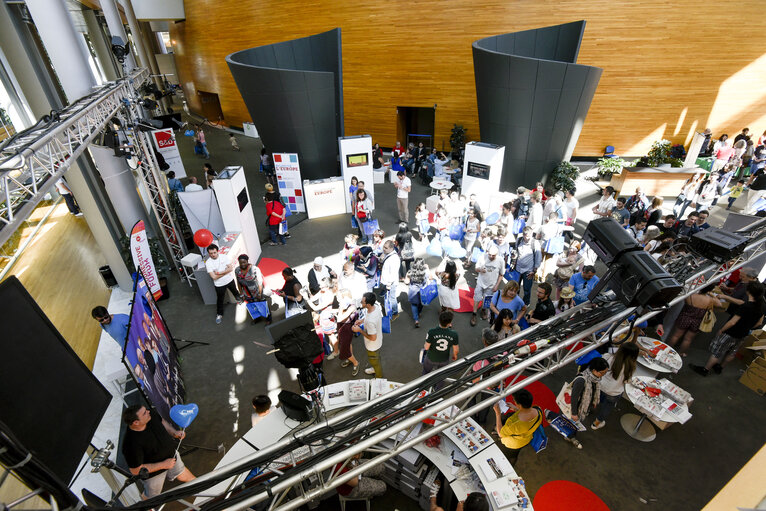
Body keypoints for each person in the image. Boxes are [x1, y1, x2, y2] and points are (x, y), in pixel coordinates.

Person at [692, 281, 766, 376]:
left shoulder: (746, 306)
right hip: (743, 334)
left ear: (748, 291)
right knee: (732, 352)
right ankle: (720, 367)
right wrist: (747, 327)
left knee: (717, 352)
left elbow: (732, 322)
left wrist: (721, 330)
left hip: (731, 332)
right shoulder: (763, 306)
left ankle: (705, 370)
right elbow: (759, 323)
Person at [121, 405, 195, 499]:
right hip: (154, 475)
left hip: (172, 456)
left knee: (183, 474)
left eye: (146, 410)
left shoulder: (150, 415)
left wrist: (174, 432)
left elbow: (162, 422)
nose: (148, 411)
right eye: (144, 413)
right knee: (152, 498)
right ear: (136, 422)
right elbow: (136, 470)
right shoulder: (130, 444)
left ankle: (204, 487)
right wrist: (164, 465)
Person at [591, 342, 639, 429]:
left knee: (594, 399)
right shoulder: (631, 367)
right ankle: (596, 423)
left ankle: (587, 410)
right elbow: (627, 381)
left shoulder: (609, 357)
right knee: (606, 408)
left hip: (600, 385)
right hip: (614, 392)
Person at [666, 284, 721, 356]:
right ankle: (681, 353)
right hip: (697, 321)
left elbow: (685, 301)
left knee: (676, 336)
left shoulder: (691, 296)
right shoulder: (710, 300)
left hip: (684, 318)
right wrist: (711, 294)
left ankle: (667, 350)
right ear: (709, 290)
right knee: (688, 339)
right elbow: (719, 304)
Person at [493, 389, 543, 465]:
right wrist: (516, 409)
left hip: (513, 444)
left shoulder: (514, 425)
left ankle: (507, 465)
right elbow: (527, 413)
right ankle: (512, 462)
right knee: (514, 455)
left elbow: (500, 433)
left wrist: (498, 414)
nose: (514, 402)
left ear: (519, 404)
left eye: (514, 401)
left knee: (507, 455)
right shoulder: (538, 410)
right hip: (525, 439)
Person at [568, 357, 609, 426]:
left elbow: (594, 390)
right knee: (571, 425)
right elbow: (574, 397)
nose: (603, 375)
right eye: (602, 373)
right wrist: (574, 413)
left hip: (584, 406)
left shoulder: (595, 379)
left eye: (605, 373)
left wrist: (594, 401)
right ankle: (569, 436)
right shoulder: (581, 380)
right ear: (594, 370)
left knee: (575, 424)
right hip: (577, 407)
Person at [206, 244, 239, 324]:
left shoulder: (223, 257)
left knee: (236, 292)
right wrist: (225, 272)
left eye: (214, 252)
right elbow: (213, 277)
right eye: (211, 253)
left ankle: (243, 303)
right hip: (219, 284)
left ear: (217, 251)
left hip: (229, 280)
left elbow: (230, 268)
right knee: (220, 299)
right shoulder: (208, 262)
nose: (213, 255)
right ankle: (219, 314)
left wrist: (219, 273)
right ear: (208, 253)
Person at [352, 292, 384, 377]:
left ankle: (378, 378)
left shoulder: (370, 321)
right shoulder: (376, 307)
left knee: (375, 362)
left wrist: (360, 330)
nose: (361, 303)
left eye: (362, 302)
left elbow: (373, 338)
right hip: (379, 341)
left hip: (372, 346)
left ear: (368, 304)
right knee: (377, 359)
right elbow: (369, 316)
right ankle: (375, 368)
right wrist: (362, 320)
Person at [235, 255, 273, 324]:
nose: (242, 264)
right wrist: (241, 294)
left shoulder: (255, 269)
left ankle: (268, 318)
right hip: (247, 293)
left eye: (244, 262)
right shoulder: (237, 270)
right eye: (241, 263)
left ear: (247, 261)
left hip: (257, 291)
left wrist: (259, 294)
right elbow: (238, 282)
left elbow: (260, 282)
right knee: (252, 306)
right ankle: (257, 318)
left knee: (262, 305)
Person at [471, 245, 503, 326]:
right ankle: (474, 314)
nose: (491, 257)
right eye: (490, 255)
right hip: (480, 282)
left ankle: (483, 310)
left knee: (486, 300)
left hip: (491, 285)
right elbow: (476, 268)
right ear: (487, 252)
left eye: (493, 255)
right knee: (477, 298)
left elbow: (501, 274)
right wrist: (480, 270)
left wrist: (497, 285)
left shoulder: (500, 260)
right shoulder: (482, 257)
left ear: (497, 254)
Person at [422, 311, 459, 376]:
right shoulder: (454, 334)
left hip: (431, 357)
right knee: (441, 375)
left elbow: (426, 347)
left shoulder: (431, 332)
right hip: (444, 359)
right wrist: (454, 356)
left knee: (426, 373)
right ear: (449, 323)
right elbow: (456, 350)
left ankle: (424, 385)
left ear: (439, 320)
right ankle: (438, 386)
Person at [514, 226, 541, 305]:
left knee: (527, 289)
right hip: (518, 269)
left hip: (528, 270)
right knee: (515, 287)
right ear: (523, 235)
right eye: (525, 236)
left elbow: (538, 257)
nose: (527, 238)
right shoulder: (519, 240)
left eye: (529, 236)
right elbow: (516, 252)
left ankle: (526, 303)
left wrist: (534, 271)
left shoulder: (535, 243)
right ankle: (515, 301)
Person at [406, 258, 430, 327]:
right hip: (423, 291)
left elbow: (406, 282)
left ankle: (416, 320)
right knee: (421, 303)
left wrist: (407, 276)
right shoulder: (425, 272)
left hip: (413, 291)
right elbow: (431, 278)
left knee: (414, 305)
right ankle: (419, 312)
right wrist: (427, 268)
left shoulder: (410, 272)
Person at [379, 240, 401, 315]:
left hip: (391, 283)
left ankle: (395, 312)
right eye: (383, 247)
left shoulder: (394, 259)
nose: (384, 249)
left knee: (392, 298)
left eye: (386, 248)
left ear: (392, 248)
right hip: (386, 281)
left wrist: (389, 283)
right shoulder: (386, 253)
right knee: (388, 297)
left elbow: (393, 273)